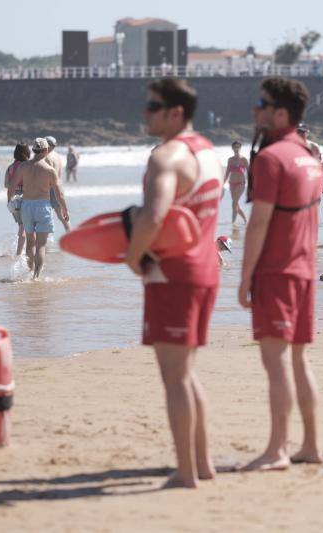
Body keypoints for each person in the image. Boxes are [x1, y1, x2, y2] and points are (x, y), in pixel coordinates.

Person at [126, 78, 222, 489]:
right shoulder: (207, 150)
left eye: (153, 106)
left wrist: (133, 256)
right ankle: (202, 464)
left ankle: (185, 472)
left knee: (175, 377)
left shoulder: (166, 155)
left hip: (172, 274)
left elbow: (153, 215)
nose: (144, 112)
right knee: (186, 372)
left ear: (175, 112)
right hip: (205, 270)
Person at [239, 76, 323, 471]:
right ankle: (310, 445)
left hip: (277, 270)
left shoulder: (271, 159)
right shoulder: (309, 155)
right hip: (305, 269)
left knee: (275, 363)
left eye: (262, 103)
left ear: (281, 113)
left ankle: (277, 450)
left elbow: (258, 224)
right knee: (298, 360)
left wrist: (245, 277)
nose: (254, 109)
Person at [8, 138, 68, 278]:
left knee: (30, 243)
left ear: (34, 150)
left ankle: (30, 270)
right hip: (43, 206)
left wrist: (9, 201)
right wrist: (65, 209)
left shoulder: (23, 167)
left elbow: (11, 186)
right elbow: (60, 194)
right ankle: (36, 275)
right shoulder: (49, 170)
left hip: (27, 206)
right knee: (41, 245)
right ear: (46, 151)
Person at [5, 143, 30, 256]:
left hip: (13, 198)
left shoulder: (10, 168)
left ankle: (21, 250)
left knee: (21, 225)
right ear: (26, 152)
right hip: (26, 196)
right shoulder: (27, 166)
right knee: (24, 227)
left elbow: (7, 185)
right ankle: (19, 253)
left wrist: (9, 201)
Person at [44, 136, 71, 232]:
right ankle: (70, 235)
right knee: (63, 217)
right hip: (59, 187)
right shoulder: (58, 156)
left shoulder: (46, 157)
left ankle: (42, 242)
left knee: (42, 218)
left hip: (49, 189)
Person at [224, 141, 249, 225]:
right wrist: (223, 183)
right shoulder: (230, 160)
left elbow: (249, 173)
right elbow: (227, 172)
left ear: (240, 148)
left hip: (241, 183)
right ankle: (245, 220)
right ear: (232, 148)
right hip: (231, 184)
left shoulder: (244, 159)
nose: (236, 148)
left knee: (234, 203)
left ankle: (232, 223)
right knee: (236, 204)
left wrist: (252, 185)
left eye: (238, 147)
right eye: (235, 147)